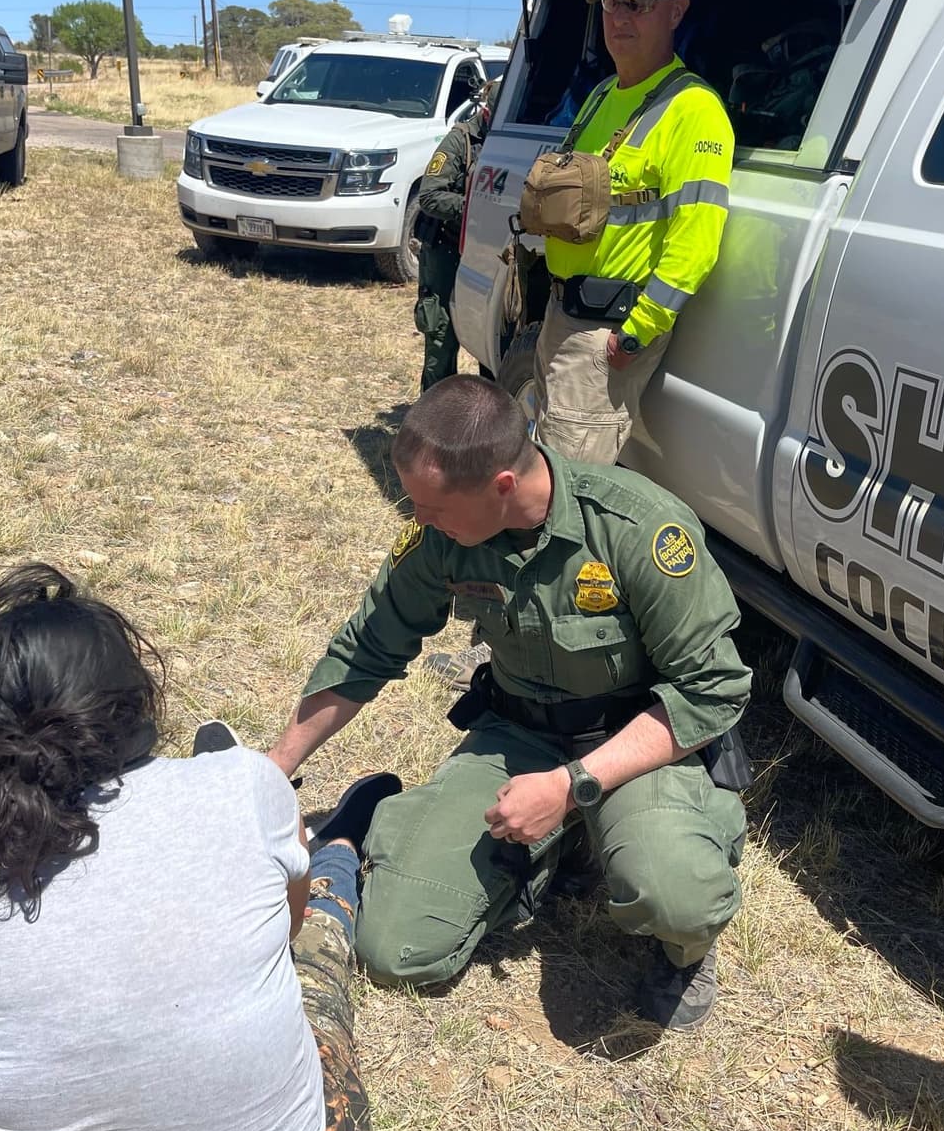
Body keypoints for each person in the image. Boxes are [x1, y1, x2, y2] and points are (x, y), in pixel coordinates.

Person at [0, 564, 370, 1131]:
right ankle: (343, 854)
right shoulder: (247, 783)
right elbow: (284, 933)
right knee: (315, 963)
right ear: (136, 696)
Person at [269, 376, 751, 1030]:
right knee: (394, 948)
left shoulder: (638, 529)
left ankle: (680, 944)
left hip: (634, 744)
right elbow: (368, 647)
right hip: (517, 733)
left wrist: (571, 784)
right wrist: (274, 766)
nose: (420, 520)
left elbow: (710, 691)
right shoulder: (444, 533)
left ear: (501, 485)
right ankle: (545, 853)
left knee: (676, 894)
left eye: (431, 506)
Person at [533, 0, 735, 464]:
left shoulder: (695, 110)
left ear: (676, 11)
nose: (619, 18)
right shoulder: (601, 94)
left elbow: (696, 243)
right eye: (610, 3)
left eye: (637, 5)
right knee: (546, 464)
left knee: (567, 486)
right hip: (560, 314)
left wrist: (634, 336)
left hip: (607, 332)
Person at [413, 80, 496, 394]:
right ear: (487, 112)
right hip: (446, 250)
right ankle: (434, 417)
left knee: (490, 337)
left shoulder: (504, 143)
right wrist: (476, 208)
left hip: (485, 253)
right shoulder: (460, 140)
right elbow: (430, 196)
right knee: (441, 333)